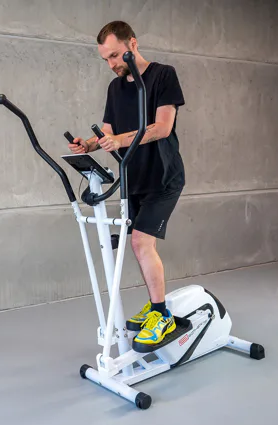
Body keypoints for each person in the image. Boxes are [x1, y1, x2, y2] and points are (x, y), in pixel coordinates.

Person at [68, 21, 186, 349]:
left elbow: (162, 127)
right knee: (139, 245)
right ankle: (156, 303)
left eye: (115, 55)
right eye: (105, 59)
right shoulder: (115, 88)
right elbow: (107, 133)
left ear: (132, 43)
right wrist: (88, 144)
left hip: (163, 177)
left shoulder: (163, 75)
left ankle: (161, 314)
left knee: (140, 243)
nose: (111, 64)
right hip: (133, 179)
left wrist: (120, 139)